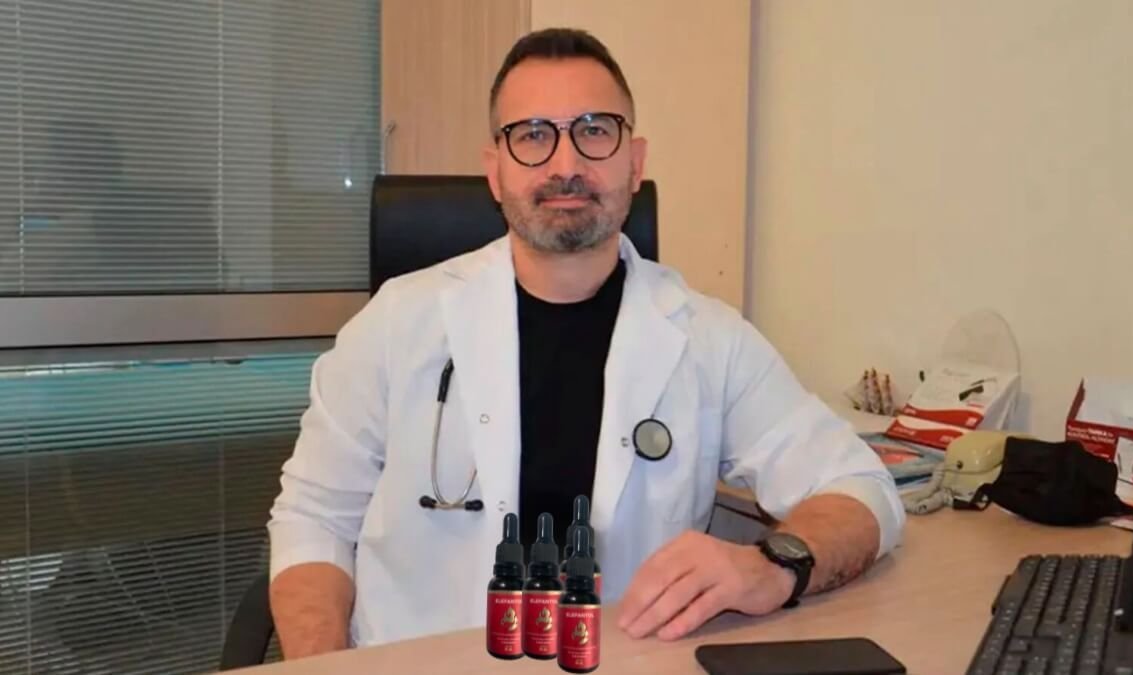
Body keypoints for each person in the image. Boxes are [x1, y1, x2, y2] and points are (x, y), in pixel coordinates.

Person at [267, 27, 905, 660]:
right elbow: (314, 519)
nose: (566, 166)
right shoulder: (396, 322)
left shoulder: (709, 340)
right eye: (532, 135)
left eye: (595, 130)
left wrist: (772, 564)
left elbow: (860, 487)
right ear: (495, 172)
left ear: (636, 162)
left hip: (625, 661)